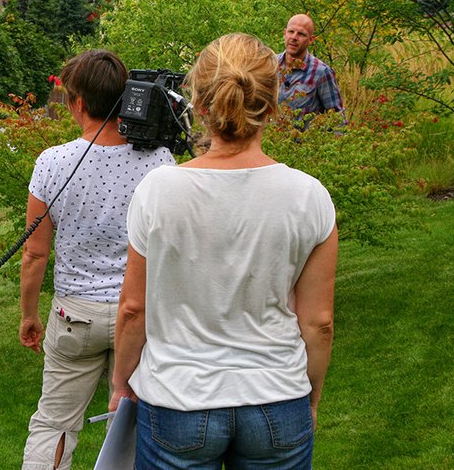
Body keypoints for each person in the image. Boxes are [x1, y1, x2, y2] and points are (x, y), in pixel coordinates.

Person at [112, 33, 338, 468]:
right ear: (272, 104)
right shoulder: (309, 196)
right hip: (277, 398)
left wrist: (121, 382)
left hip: (178, 399)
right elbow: (319, 322)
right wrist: (310, 396)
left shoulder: (159, 189)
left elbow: (133, 309)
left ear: (197, 104)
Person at [20, 50, 176, 470]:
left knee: (54, 423)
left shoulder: (51, 162)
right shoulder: (161, 162)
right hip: (140, 314)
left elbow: (35, 251)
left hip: (75, 315)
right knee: (130, 423)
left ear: (79, 103)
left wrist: (28, 314)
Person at [278, 13, 344, 119]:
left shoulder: (321, 72)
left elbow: (337, 117)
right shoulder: (270, 65)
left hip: (304, 135)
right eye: (291, 32)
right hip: (270, 134)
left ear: (311, 40)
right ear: (285, 33)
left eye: (301, 34)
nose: (294, 37)